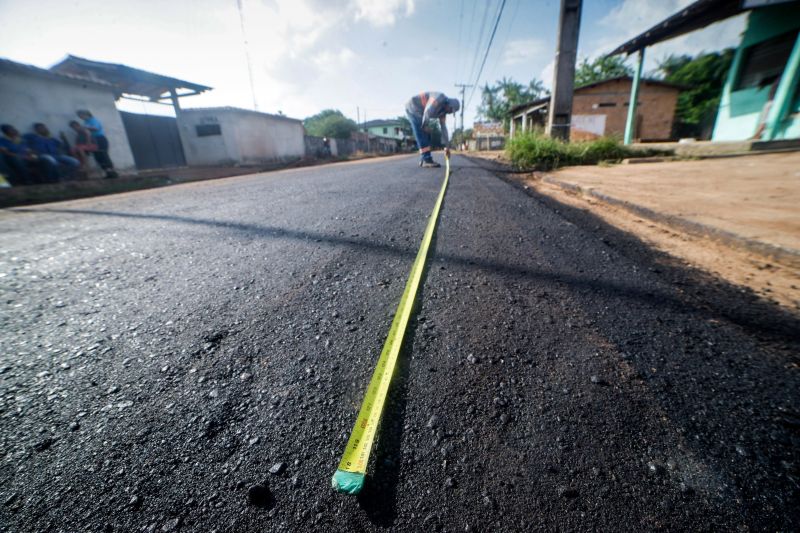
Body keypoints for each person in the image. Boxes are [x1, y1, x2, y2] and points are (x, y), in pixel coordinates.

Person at [405, 91, 460, 168]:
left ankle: (424, 159)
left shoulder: (443, 113)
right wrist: (425, 126)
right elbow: (428, 110)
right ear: (448, 103)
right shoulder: (439, 98)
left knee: (428, 134)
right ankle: (426, 160)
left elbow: (444, 128)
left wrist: (447, 147)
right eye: (451, 109)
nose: (450, 112)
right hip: (414, 107)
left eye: (452, 112)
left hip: (422, 113)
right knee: (422, 131)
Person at [76, 110, 117, 178]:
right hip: (93, 140)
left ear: (86, 114)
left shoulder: (93, 120)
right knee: (97, 156)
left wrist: (85, 128)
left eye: (81, 115)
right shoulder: (86, 122)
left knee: (103, 155)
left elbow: (96, 128)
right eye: (79, 116)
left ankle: (112, 172)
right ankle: (107, 172)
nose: (80, 117)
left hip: (99, 139)